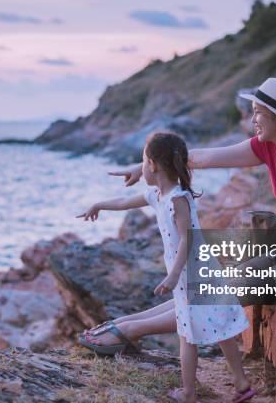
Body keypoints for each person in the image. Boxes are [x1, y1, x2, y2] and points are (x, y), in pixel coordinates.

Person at [80, 76, 276, 374]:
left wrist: (272, 258)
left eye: (257, 112)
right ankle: (124, 323)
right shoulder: (269, 147)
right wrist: (146, 166)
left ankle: (130, 331)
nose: (252, 119)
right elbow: (202, 157)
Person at [77, 132, 255, 403]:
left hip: (192, 273)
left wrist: (173, 277)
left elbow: (187, 238)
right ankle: (242, 384)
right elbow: (125, 202)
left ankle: (188, 393)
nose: (140, 166)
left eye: (143, 160)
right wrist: (99, 205)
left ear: (154, 165)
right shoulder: (157, 195)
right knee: (221, 327)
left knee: (188, 335)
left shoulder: (177, 199)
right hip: (190, 272)